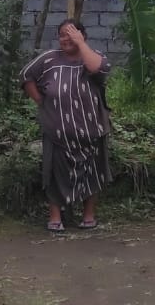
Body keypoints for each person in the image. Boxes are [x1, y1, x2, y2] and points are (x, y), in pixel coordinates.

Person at [20, 19, 112, 232]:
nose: (66, 38)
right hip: (57, 132)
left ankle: (88, 216)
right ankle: (55, 217)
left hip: (91, 131)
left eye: (72, 33)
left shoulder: (94, 57)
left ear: (83, 36)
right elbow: (26, 76)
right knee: (54, 173)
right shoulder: (48, 59)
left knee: (93, 172)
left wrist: (81, 45)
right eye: (62, 34)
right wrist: (41, 101)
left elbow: (97, 69)